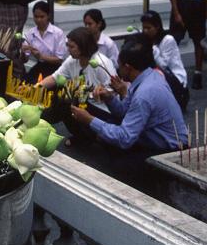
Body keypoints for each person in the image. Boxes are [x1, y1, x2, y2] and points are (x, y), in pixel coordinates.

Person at [71, 36, 188, 171]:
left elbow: (125, 138)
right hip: (153, 138)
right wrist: (110, 98)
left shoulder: (145, 93)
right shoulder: (147, 77)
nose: (117, 68)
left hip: (171, 151)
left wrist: (89, 120)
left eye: (119, 65)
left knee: (120, 164)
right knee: (108, 128)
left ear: (128, 67)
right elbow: (124, 112)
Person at [40, 27, 117, 145]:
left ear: (83, 47)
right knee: (62, 93)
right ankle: (80, 135)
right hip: (81, 103)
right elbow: (55, 78)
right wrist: (36, 87)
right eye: (67, 45)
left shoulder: (101, 63)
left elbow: (114, 91)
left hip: (102, 110)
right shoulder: (72, 60)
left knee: (69, 97)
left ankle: (91, 136)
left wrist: (101, 93)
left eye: (71, 47)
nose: (68, 50)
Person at [141, 10, 189, 110]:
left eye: (148, 28)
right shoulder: (147, 40)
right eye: (144, 28)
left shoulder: (168, 40)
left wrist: (152, 48)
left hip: (175, 81)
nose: (145, 31)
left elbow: (163, 66)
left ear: (157, 27)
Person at [21, 1, 67, 83]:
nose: (39, 20)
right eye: (36, 17)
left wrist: (41, 56)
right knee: (26, 83)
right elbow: (25, 59)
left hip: (55, 68)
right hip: (40, 66)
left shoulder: (57, 33)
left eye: (42, 17)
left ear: (48, 16)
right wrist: (23, 51)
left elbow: (59, 59)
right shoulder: (31, 33)